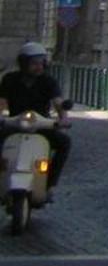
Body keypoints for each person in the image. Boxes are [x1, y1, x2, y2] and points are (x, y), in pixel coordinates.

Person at [0, 42, 70, 195]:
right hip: (14, 124)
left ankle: (50, 184)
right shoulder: (10, 79)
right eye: (34, 63)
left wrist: (63, 118)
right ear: (24, 64)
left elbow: (57, 101)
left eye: (41, 63)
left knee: (64, 143)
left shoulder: (48, 81)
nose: (39, 67)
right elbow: (2, 102)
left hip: (41, 126)